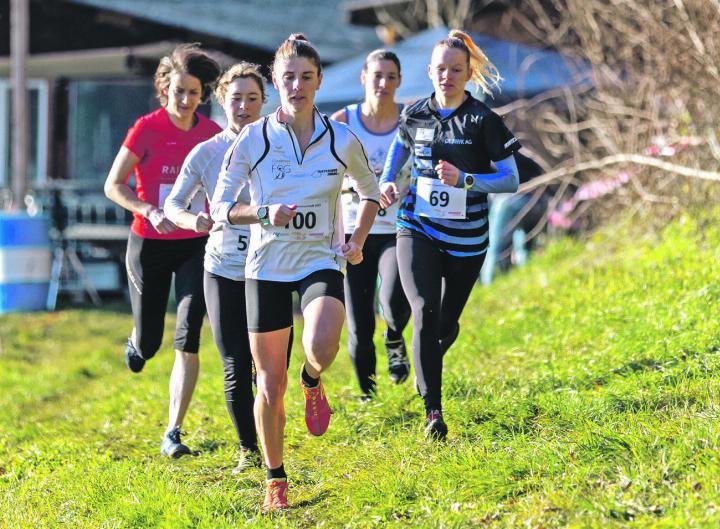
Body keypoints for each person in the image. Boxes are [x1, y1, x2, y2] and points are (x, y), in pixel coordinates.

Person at [211, 33, 380, 512]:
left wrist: (358, 240)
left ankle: (313, 379)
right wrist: (263, 212)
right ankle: (275, 478)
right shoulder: (254, 138)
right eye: (288, 77)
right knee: (268, 384)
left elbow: (368, 192)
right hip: (266, 265)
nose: (297, 86)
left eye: (307, 77)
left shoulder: (341, 138)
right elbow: (222, 206)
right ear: (275, 82)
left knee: (323, 342)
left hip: (319, 257)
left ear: (319, 81)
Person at [379, 29, 521, 440]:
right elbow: (399, 149)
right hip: (417, 226)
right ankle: (433, 413)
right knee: (422, 309)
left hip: (467, 241)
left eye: (456, 69)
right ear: (429, 71)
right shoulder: (414, 113)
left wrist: (466, 179)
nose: (447, 76)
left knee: (442, 324)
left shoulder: (484, 121)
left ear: (468, 73)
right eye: (440, 69)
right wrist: (389, 181)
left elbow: (510, 179)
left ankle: (431, 354)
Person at [164, 63, 292, 473]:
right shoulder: (206, 152)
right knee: (236, 362)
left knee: (271, 371)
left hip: (271, 267)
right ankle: (247, 451)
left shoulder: (284, 144)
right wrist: (192, 221)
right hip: (221, 267)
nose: (243, 106)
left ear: (263, 103)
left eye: (252, 98)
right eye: (235, 98)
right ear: (221, 101)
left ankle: (273, 439)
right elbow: (174, 204)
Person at [104, 44, 221, 458]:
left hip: (194, 244)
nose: (185, 99)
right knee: (152, 343)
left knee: (188, 337)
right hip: (149, 243)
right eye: (178, 92)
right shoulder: (146, 129)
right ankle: (137, 340)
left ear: (202, 94)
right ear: (163, 91)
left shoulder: (211, 134)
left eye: (193, 92)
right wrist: (148, 209)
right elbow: (113, 185)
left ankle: (173, 431)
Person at [330, 50, 411, 398]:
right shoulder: (343, 120)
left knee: (394, 299)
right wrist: (360, 185)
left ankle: (394, 335)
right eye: (377, 75)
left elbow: (426, 166)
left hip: (397, 227)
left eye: (391, 76)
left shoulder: (410, 119)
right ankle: (368, 393)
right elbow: (326, 174)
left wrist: (402, 187)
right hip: (354, 229)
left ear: (399, 81)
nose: (383, 83)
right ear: (363, 78)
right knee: (360, 319)